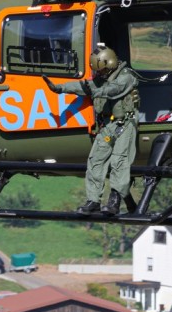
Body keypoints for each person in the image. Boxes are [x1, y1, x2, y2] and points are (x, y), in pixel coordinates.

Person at [42, 45, 139, 216]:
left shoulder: (127, 77)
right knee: (96, 160)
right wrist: (59, 88)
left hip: (126, 124)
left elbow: (114, 90)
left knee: (119, 161)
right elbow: (84, 86)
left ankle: (114, 201)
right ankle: (93, 200)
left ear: (110, 64)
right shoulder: (101, 79)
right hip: (108, 125)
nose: (99, 75)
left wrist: (95, 90)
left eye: (101, 71)